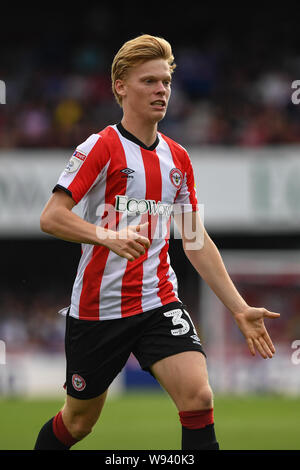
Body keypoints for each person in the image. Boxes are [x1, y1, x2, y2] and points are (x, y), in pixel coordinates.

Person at [34, 34, 280, 451]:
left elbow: (195, 239)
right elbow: (51, 217)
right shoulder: (101, 146)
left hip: (158, 301)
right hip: (99, 310)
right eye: (149, 81)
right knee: (78, 422)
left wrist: (239, 308)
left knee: (199, 397)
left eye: (165, 82)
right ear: (120, 87)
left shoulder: (178, 159)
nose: (161, 90)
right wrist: (106, 236)